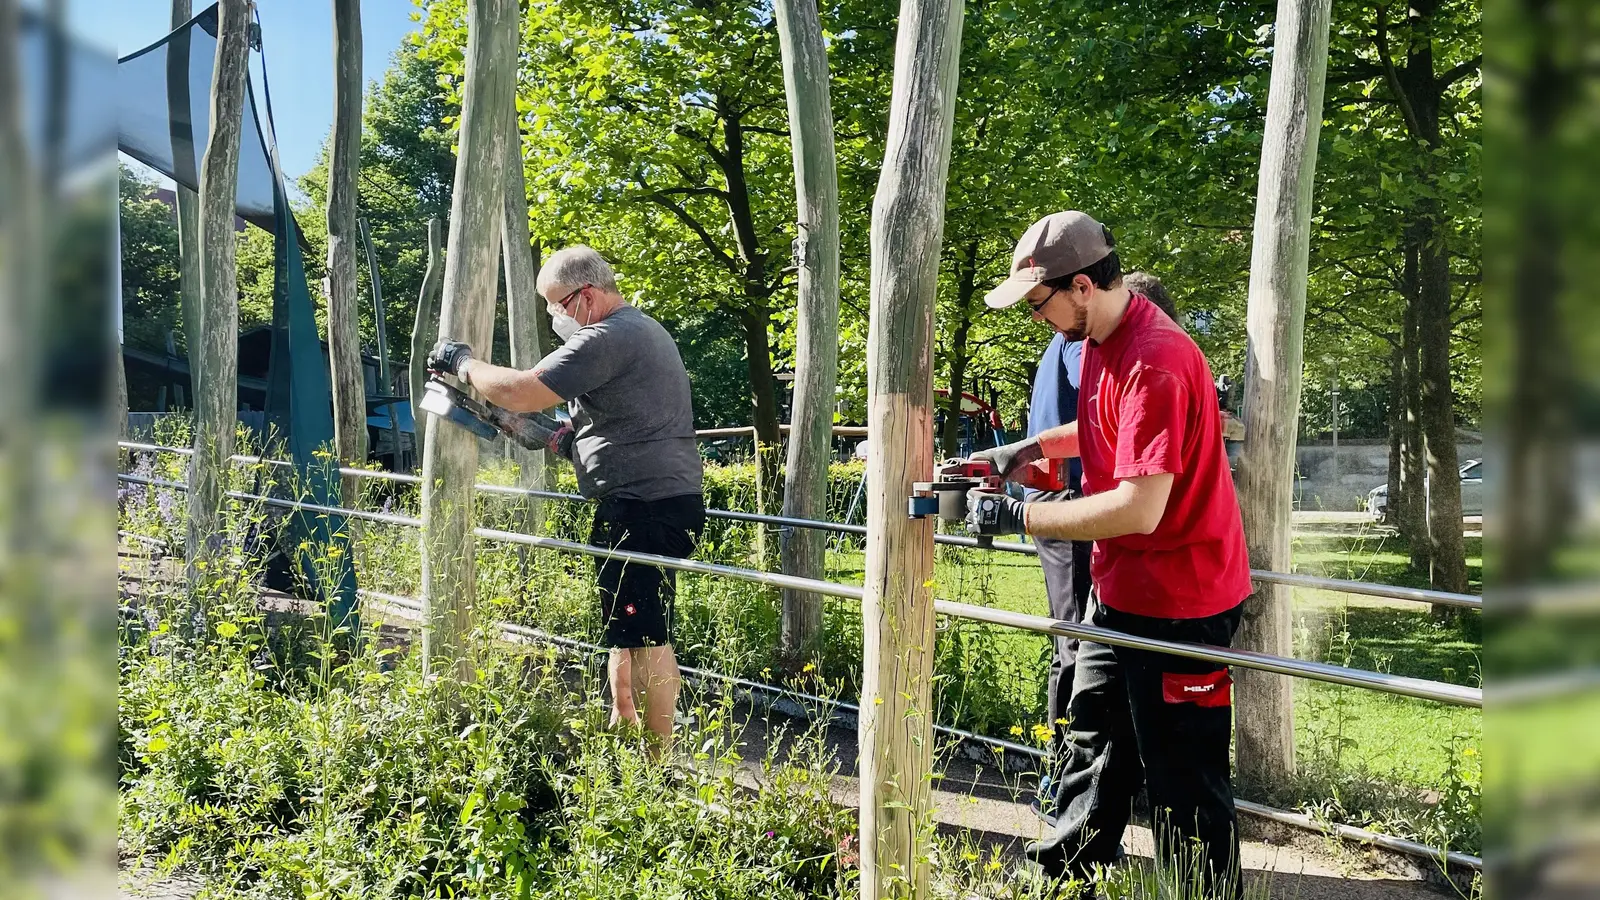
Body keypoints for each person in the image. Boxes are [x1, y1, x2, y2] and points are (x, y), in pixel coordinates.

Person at [968, 211, 1250, 897]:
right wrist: (1026, 450)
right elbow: (1100, 426)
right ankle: (1062, 886)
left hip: (1185, 606)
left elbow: (1138, 507)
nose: (1038, 318)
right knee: (1089, 752)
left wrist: (1021, 515)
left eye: (1040, 302)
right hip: (1120, 592)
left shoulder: (1159, 359)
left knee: (1185, 783)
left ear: (1085, 285)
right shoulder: (1097, 336)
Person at [425, 246, 705, 751]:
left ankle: (659, 760)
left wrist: (463, 363)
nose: (555, 317)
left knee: (648, 630)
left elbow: (520, 390)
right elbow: (617, 421)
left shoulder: (608, 336)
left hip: (644, 502)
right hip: (643, 498)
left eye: (557, 305)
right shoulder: (640, 332)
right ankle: (625, 732)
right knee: (624, 623)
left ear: (588, 296)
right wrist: (558, 439)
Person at [1023, 270, 1180, 762]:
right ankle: (1066, 771)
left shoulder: (1080, 335)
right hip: (1072, 500)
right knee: (1077, 639)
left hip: (1066, 495)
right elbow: (1108, 414)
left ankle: (1084, 770)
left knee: (1076, 635)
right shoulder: (1088, 339)